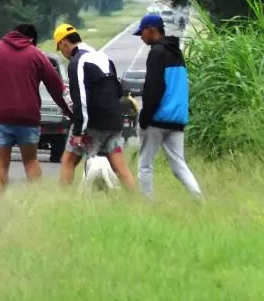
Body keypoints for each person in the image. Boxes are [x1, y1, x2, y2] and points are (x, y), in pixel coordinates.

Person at [0, 23, 72, 196]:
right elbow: (56, 87)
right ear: (31, 39)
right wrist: (70, 113)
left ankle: (1, 205)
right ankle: (36, 204)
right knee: (31, 161)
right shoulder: (36, 55)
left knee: (0, 163)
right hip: (28, 119)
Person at [53, 23, 136, 191]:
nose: (63, 53)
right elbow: (118, 91)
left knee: (68, 161)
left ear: (63, 43)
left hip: (92, 124)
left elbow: (80, 99)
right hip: (114, 121)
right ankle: (136, 202)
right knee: (120, 167)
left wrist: (78, 131)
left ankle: (62, 200)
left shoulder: (78, 62)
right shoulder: (103, 57)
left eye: (60, 49)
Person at [134, 13, 202, 199]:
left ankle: (146, 206)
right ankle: (199, 200)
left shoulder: (156, 53)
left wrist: (145, 117)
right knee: (179, 165)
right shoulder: (176, 52)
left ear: (152, 30)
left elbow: (153, 88)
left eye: (142, 32)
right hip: (177, 119)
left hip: (157, 118)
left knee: (145, 164)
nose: (141, 36)